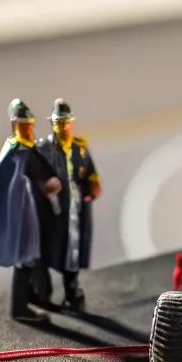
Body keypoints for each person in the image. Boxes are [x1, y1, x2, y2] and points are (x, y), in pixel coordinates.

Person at [0, 99, 61, 323]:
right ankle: (21, 307)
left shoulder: (25, 150)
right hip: (25, 217)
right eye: (24, 125)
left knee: (33, 261)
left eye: (30, 124)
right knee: (26, 261)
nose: (29, 129)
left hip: (34, 214)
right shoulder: (19, 152)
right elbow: (35, 180)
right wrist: (49, 185)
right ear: (15, 125)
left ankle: (34, 297)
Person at [36, 99, 102, 311]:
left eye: (66, 122)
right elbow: (34, 176)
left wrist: (93, 186)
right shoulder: (44, 149)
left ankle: (72, 291)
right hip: (53, 210)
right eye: (59, 123)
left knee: (73, 250)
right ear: (52, 125)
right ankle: (40, 291)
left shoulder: (79, 148)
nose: (63, 127)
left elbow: (90, 173)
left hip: (76, 208)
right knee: (46, 250)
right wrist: (45, 186)